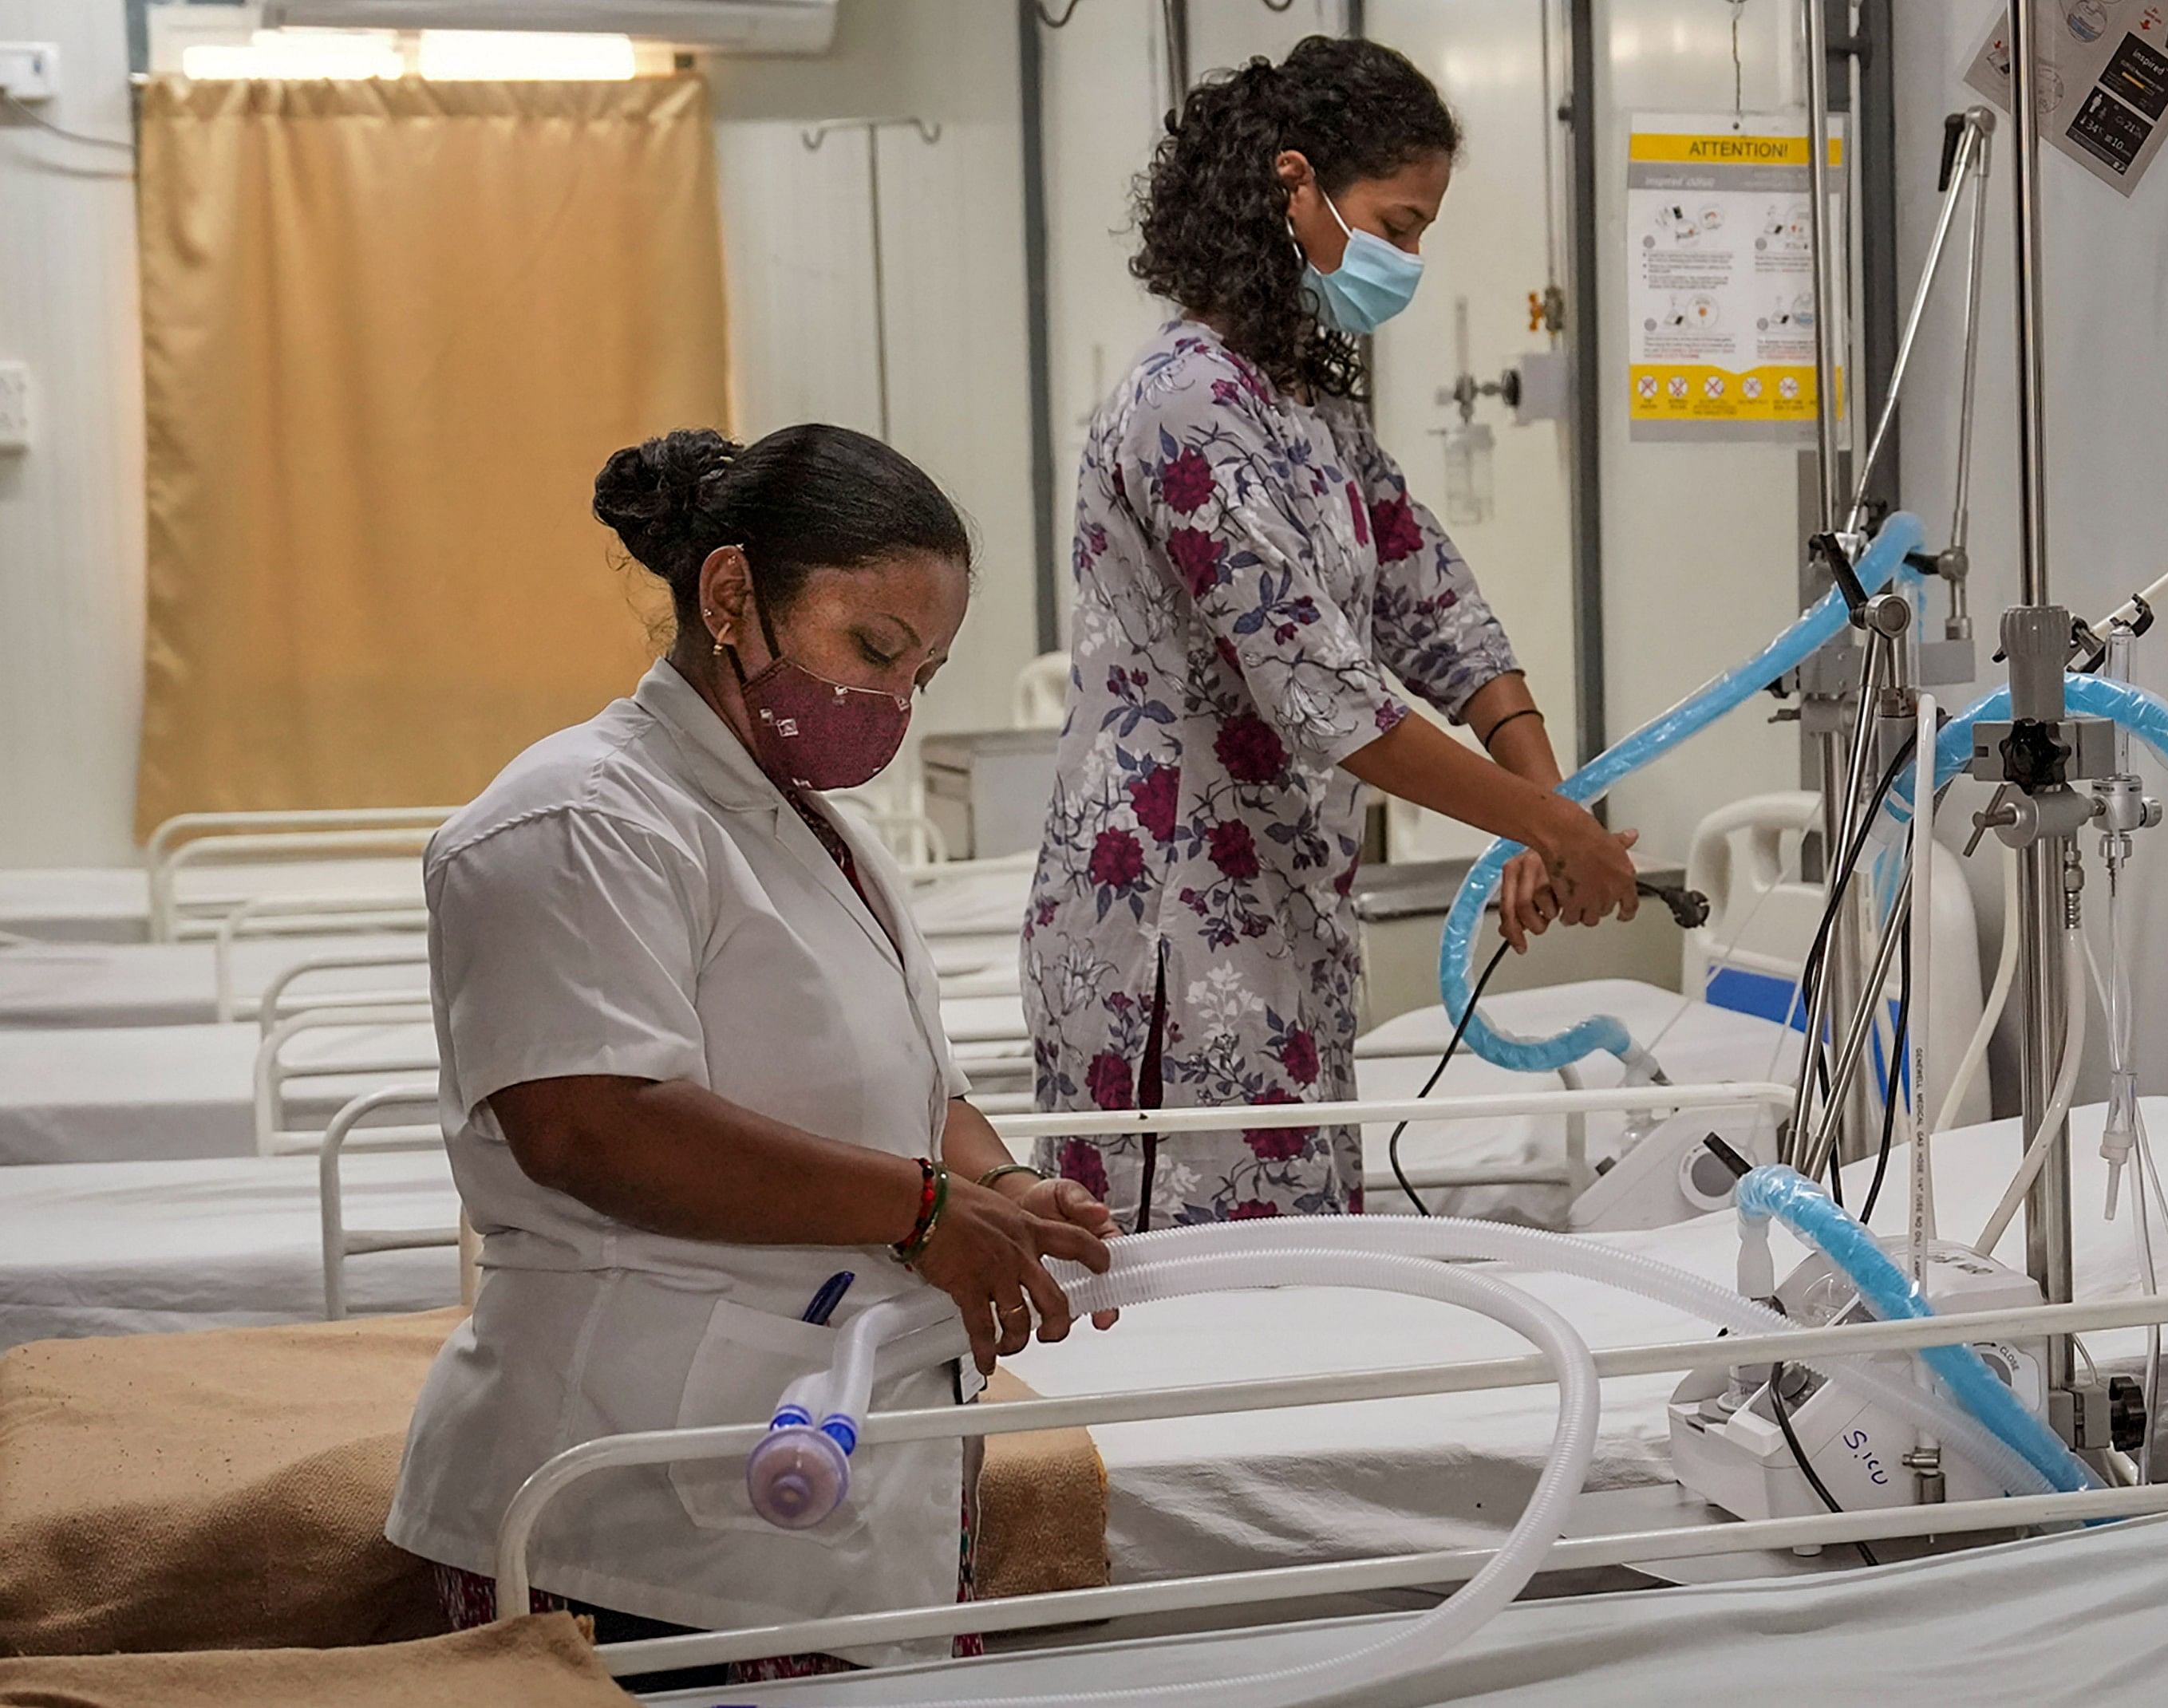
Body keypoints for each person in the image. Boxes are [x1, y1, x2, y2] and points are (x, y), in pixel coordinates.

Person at [386, 424, 1116, 1686]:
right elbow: (594, 1124)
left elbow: (903, 1080)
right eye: (872, 650)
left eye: (923, 672)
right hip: (628, 1512)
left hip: (811, 1467)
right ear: (730, 595)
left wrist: (994, 1186)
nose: (891, 703)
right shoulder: (578, 816)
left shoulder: (817, 833)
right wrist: (921, 1206)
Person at [1023, 36, 1639, 1229]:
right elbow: (1325, 696)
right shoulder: (1187, 405)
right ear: (1292, 185)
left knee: (1298, 1269)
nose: (1406, 261)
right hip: (1167, 914)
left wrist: (1538, 805)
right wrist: (1551, 828)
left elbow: (1441, 611)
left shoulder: (1305, 407)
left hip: (1279, 907)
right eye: (1395, 225)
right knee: (1197, 1290)